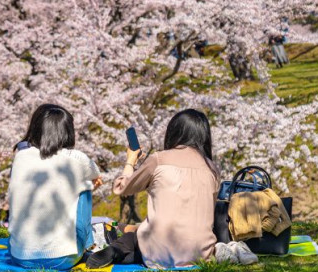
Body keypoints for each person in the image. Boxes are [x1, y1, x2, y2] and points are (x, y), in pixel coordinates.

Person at [86, 109, 220, 269]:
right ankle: (121, 251)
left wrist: (131, 160)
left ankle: (115, 250)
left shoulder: (160, 159)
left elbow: (122, 188)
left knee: (136, 237)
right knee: (141, 235)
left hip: (160, 250)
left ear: (174, 132)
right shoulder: (212, 169)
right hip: (200, 253)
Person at [8, 104, 102, 270]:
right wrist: (89, 183)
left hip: (19, 255)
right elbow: (96, 173)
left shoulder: (20, 156)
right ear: (67, 131)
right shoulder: (76, 158)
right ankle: (88, 245)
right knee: (85, 187)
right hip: (61, 258)